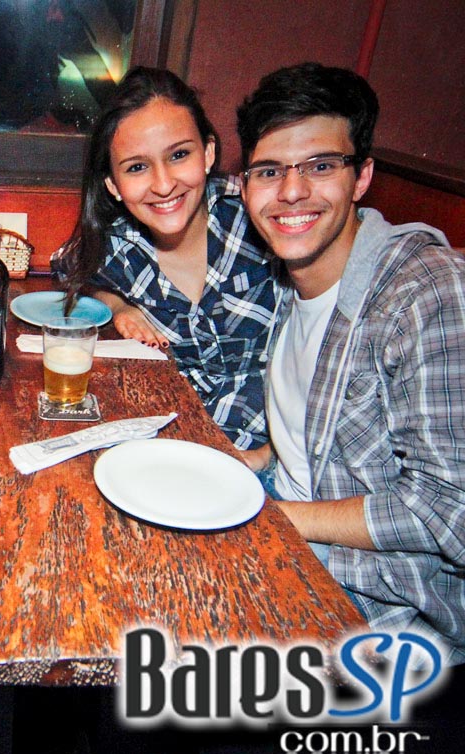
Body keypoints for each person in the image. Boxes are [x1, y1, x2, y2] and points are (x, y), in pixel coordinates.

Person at [236, 62, 465, 664]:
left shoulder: (424, 290)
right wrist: (256, 458)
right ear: (245, 184)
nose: (291, 192)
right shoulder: (288, 276)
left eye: (319, 166)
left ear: (361, 176)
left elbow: (451, 509)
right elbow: (321, 427)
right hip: (285, 509)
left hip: (373, 599)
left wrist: (274, 518)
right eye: (269, 171)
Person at [57, 67, 280, 450]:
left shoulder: (258, 215)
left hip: (271, 460)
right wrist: (118, 305)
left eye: (179, 155)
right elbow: (67, 267)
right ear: (113, 184)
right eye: (137, 167)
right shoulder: (120, 247)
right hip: (170, 448)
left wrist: (265, 458)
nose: (163, 185)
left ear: (208, 152)